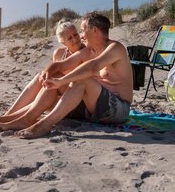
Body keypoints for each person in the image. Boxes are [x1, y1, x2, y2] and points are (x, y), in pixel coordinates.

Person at [15, 11, 133, 139]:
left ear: (94, 30)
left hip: (118, 110)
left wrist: (63, 80)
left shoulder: (116, 48)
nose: (81, 36)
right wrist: (47, 73)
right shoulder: (89, 50)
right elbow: (60, 65)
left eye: (82, 30)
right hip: (93, 109)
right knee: (52, 79)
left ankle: (44, 125)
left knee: (82, 79)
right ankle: (16, 118)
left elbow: (93, 67)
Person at [0, 20, 84, 132]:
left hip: (74, 103)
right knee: (42, 78)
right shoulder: (59, 54)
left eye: (75, 34)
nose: (75, 39)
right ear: (62, 42)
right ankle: (9, 116)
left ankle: (8, 119)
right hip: (57, 101)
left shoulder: (86, 51)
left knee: (53, 81)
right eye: (69, 38)